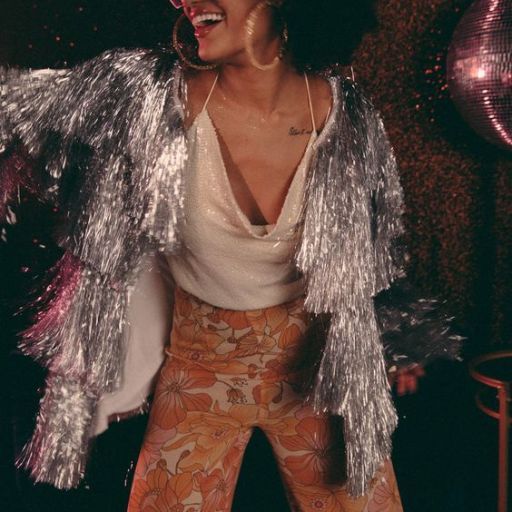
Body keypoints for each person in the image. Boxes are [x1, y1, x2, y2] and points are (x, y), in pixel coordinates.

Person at [0, 0, 463, 510]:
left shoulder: (348, 117)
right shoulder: (143, 98)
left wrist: (392, 338)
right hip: (200, 371)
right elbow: (14, 108)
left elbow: (375, 242)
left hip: (319, 371)